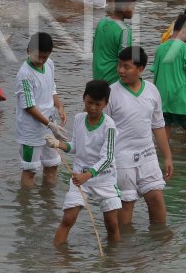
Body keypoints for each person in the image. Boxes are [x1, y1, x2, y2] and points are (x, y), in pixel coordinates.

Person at [48, 80, 122, 246]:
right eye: (89, 103)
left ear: (105, 104)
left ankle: (115, 260)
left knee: (112, 224)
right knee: (68, 218)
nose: (93, 108)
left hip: (104, 179)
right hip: (79, 178)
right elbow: (75, 146)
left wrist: (87, 175)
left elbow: (108, 158)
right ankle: (57, 255)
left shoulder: (109, 126)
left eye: (98, 104)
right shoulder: (79, 119)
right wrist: (58, 143)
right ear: (84, 99)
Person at [108, 47, 173, 227]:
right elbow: (100, 129)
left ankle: (160, 245)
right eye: (119, 65)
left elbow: (158, 126)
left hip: (148, 155)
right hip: (122, 159)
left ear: (141, 69)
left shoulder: (152, 91)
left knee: (156, 199)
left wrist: (167, 156)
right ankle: (123, 251)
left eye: (126, 67)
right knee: (126, 205)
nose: (121, 70)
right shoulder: (110, 93)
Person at [15, 32, 66, 188]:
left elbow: (52, 88)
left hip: (50, 125)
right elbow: (29, 106)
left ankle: (47, 203)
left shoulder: (49, 64)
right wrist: (50, 125)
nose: (41, 61)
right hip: (31, 131)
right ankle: (26, 208)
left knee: (52, 165)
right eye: (38, 57)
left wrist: (60, 107)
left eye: (45, 57)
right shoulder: (25, 74)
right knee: (30, 170)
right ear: (28, 51)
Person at [151, 13, 186, 146]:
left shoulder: (159, 49)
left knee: (164, 132)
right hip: (181, 98)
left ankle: (164, 161)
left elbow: (156, 73)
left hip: (162, 98)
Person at [91, 0, 134, 84]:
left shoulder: (102, 22)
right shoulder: (124, 30)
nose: (133, 10)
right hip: (113, 83)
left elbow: (94, 48)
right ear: (123, 8)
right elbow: (125, 61)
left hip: (97, 79)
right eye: (132, 7)